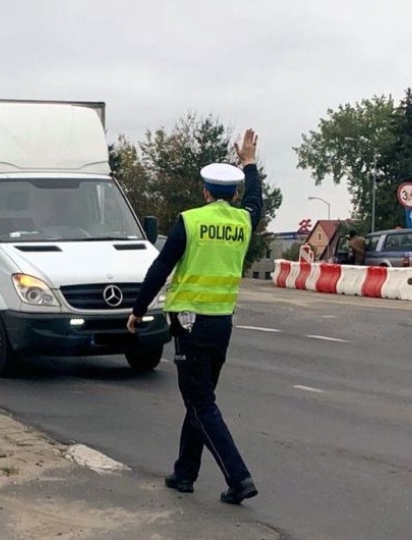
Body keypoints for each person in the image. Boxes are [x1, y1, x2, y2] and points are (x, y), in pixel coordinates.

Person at [127, 128, 263, 505]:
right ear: (233, 194)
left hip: (188, 323)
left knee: (200, 402)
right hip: (222, 324)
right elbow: (257, 200)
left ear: (205, 191)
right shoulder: (244, 221)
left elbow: (161, 268)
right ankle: (185, 472)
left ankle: (239, 477)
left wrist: (138, 310)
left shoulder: (190, 221)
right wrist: (249, 164)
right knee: (200, 398)